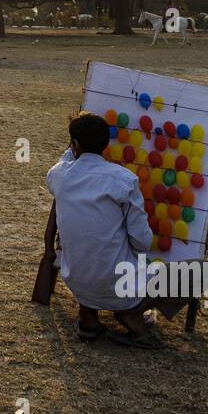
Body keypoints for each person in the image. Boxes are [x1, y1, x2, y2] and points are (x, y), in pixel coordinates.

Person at [43, 112, 185, 348]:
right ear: (107, 144)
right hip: (117, 283)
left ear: (74, 144)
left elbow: (64, 161)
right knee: (202, 273)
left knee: (95, 252)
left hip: (77, 281)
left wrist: (74, 146)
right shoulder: (124, 180)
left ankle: (88, 317)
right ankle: (131, 313)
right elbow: (141, 242)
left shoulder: (58, 175)